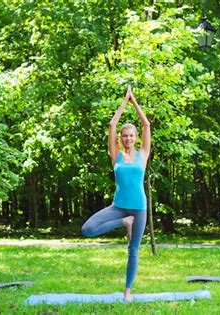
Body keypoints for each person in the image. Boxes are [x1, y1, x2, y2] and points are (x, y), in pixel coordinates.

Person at [81, 86, 151, 302]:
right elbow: (112, 124)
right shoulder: (116, 155)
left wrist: (134, 101)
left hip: (139, 208)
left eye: (131, 135)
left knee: (134, 250)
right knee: (87, 230)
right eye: (125, 135)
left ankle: (128, 291)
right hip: (118, 207)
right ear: (121, 138)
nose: (128, 138)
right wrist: (124, 102)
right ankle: (124, 222)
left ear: (136, 137)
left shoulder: (143, 154)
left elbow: (146, 124)